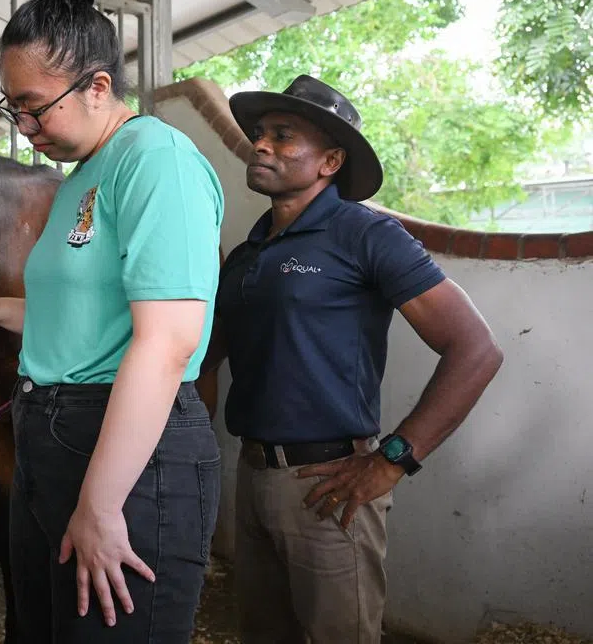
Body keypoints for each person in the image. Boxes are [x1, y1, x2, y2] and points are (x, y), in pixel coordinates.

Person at [0, 0, 225, 643]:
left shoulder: (156, 159)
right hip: (51, 435)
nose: (24, 129)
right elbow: (81, 316)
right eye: (14, 109)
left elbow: (166, 342)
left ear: (98, 86)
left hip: (129, 451)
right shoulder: (80, 176)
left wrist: (101, 504)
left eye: (35, 108)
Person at [202, 74, 504, 642]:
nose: (262, 144)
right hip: (251, 474)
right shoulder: (247, 254)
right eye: (261, 133)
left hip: (329, 485)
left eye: (284, 135)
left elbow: (476, 350)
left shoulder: (367, 236)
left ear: (331, 160)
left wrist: (392, 460)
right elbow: (205, 358)